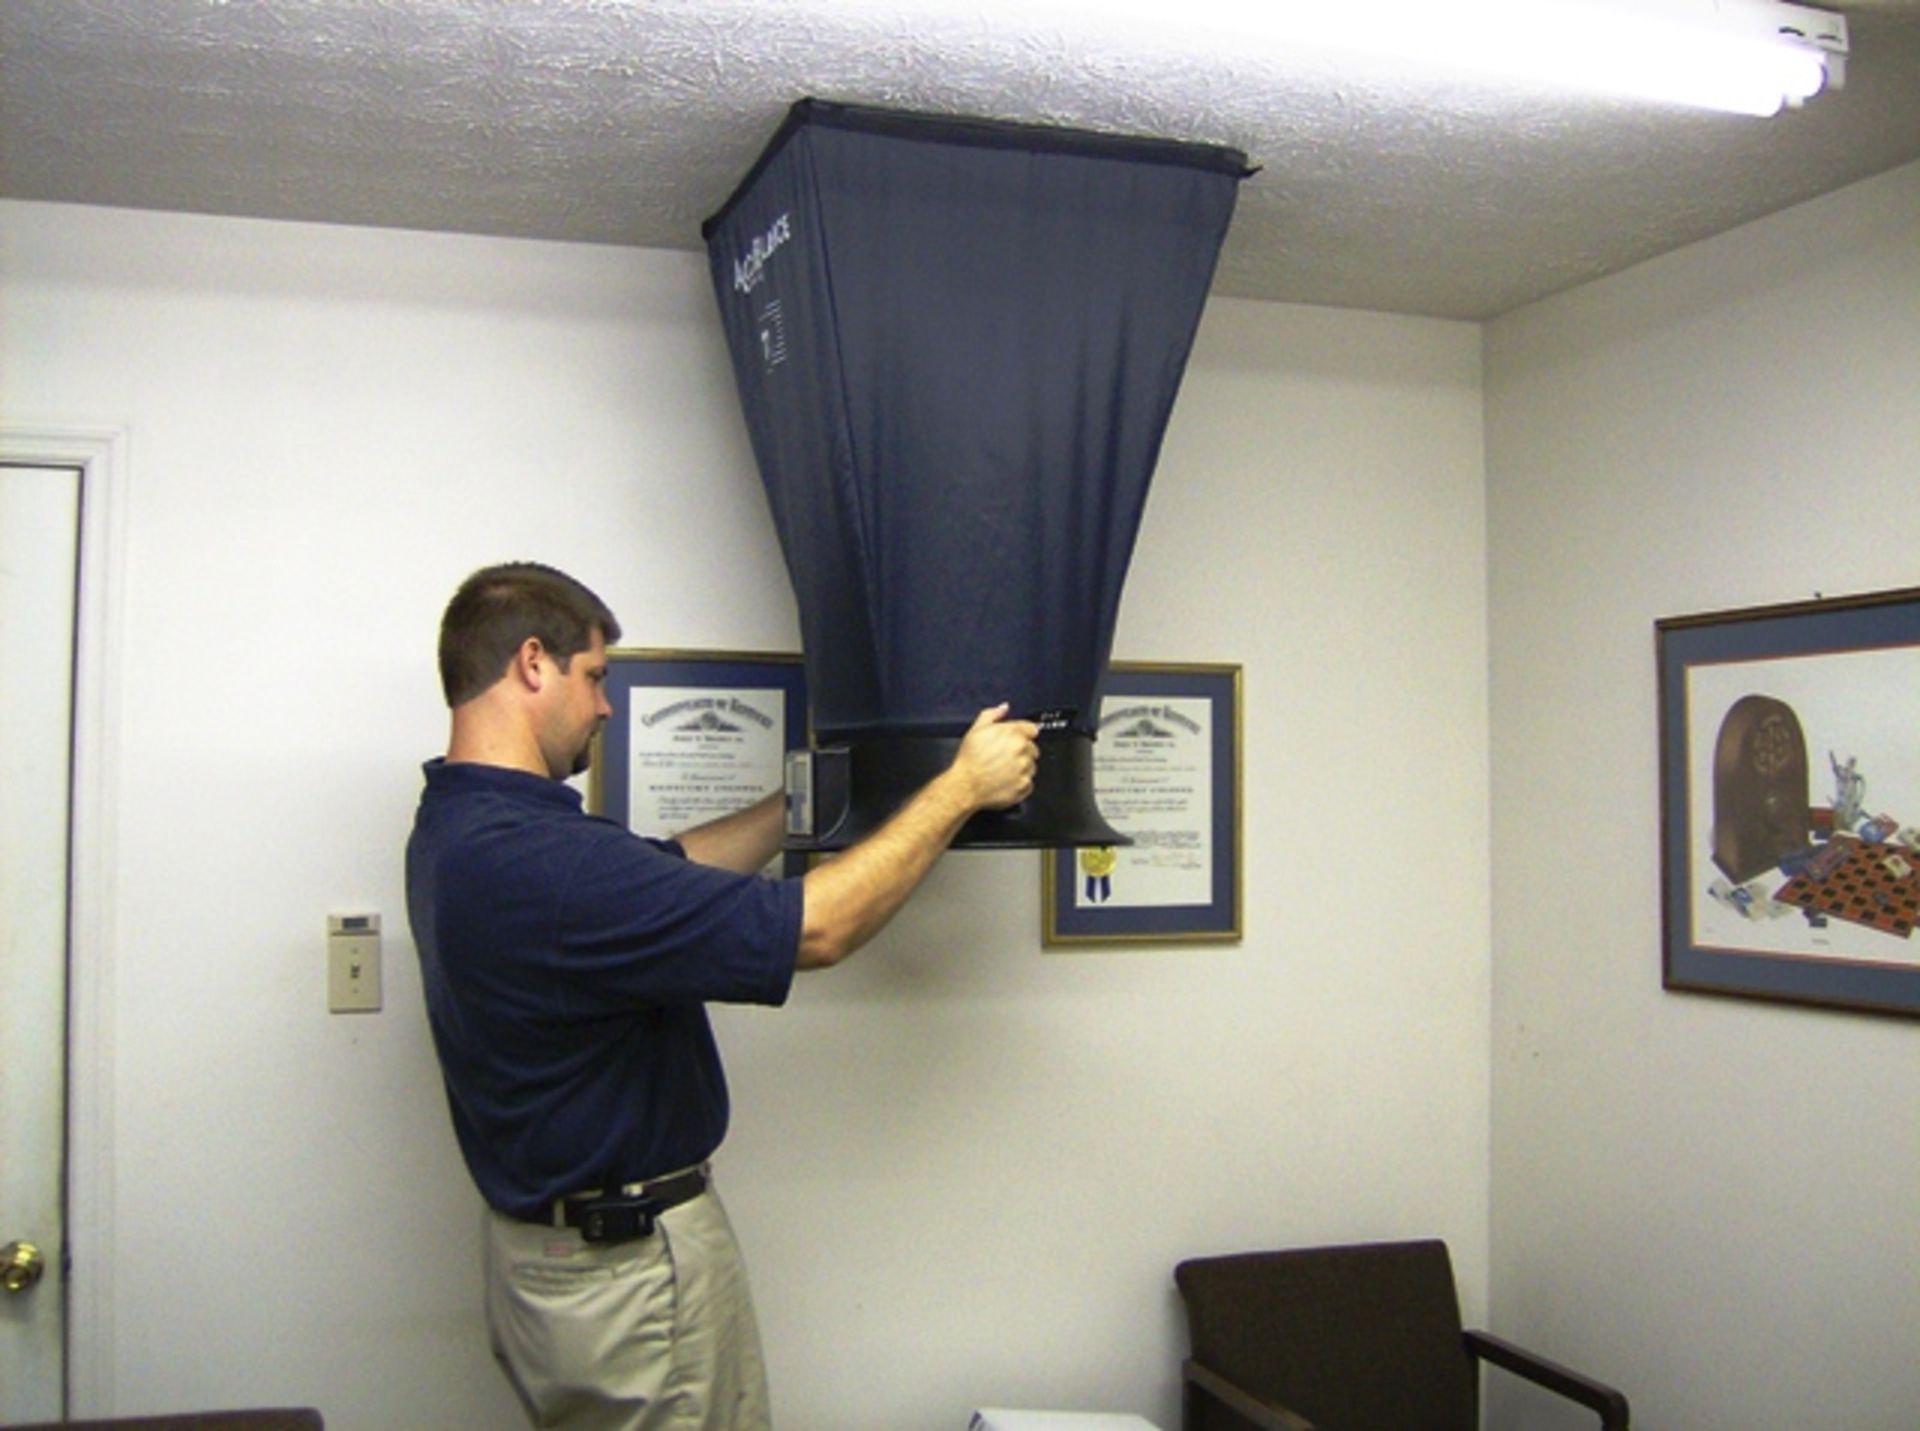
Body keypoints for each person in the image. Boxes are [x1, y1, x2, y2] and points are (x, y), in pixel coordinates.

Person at [406, 561, 1038, 1431]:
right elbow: (816, 928)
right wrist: (961, 789)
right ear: (530, 663)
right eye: (595, 677)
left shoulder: (459, 825)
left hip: (552, 1265)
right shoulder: (539, 861)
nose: (605, 707)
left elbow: (663, 876)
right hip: (627, 1283)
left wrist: (798, 803)